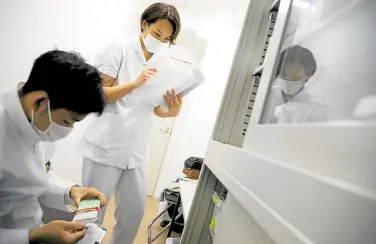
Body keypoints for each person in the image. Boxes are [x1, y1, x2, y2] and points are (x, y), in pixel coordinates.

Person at [80, 2, 183, 243]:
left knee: (133, 214)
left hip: (136, 149)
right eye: (157, 33)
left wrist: (174, 111)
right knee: (91, 214)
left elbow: (157, 109)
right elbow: (98, 93)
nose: (160, 41)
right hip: (105, 145)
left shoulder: (163, 63)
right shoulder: (118, 48)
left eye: (166, 38)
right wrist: (134, 84)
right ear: (143, 24)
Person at [0, 50, 107, 244]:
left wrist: (70, 192)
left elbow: (38, 179)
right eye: (68, 121)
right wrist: (33, 236)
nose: (69, 129)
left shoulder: (39, 125)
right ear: (40, 102)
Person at [262, 45, 327, 123]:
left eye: (295, 77)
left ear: (307, 76)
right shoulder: (266, 96)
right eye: (284, 75)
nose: (288, 80)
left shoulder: (315, 106)